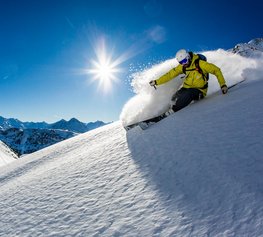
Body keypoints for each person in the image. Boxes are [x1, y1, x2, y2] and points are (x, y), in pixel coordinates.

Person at [149, 49, 228, 114]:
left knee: (188, 94)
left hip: (199, 90)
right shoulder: (182, 67)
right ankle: (165, 111)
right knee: (174, 97)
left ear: (188, 57)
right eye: (181, 62)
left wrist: (223, 85)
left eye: (184, 61)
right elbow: (170, 75)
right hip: (186, 87)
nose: (184, 64)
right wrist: (156, 82)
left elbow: (216, 70)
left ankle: (173, 111)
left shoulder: (200, 64)